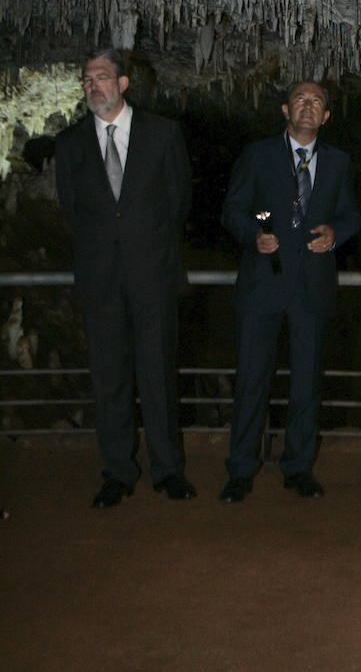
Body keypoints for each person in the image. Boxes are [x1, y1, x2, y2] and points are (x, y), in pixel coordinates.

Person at [55, 48, 194, 508]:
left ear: (123, 83)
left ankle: (168, 471)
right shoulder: (71, 143)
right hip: (101, 281)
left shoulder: (162, 135)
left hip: (153, 277)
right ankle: (117, 472)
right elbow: (72, 209)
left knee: (158, 378)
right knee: (109, 380)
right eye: (86, 79)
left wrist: (144, 248)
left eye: (101, 77)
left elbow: (178, 203)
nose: (92, 86)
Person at [220, 81, 360, 501]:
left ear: (327, 116)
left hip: (312, 288)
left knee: (306, 384)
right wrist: (253, 236)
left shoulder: (337, 162)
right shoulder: (257, 155)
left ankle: (298, 468)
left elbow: (352, 214)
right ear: (285, 109)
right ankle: (241, 469)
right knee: (251, 381)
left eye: (317, 101)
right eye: (301, 99)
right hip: (263, 284)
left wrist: (336, 233)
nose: (308, 106)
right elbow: (232, 210)